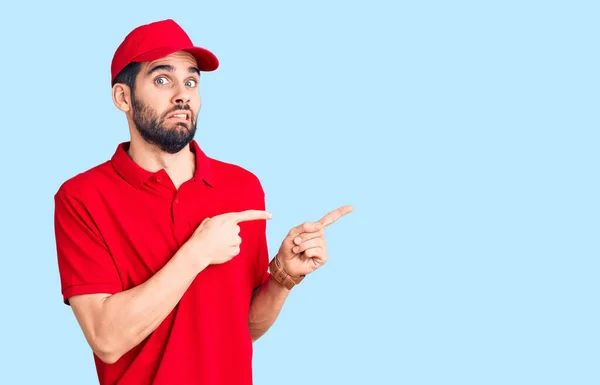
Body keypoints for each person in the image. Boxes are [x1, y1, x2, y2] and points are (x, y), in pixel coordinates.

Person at [53, 19, 353, 385]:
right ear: (123, 98)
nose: (182, 94)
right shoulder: (82, 197)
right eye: (162, 79)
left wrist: (283, 276)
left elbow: (243, 328)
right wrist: (197, 252)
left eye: (191, 81)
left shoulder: (241, 187)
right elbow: (107, 339)